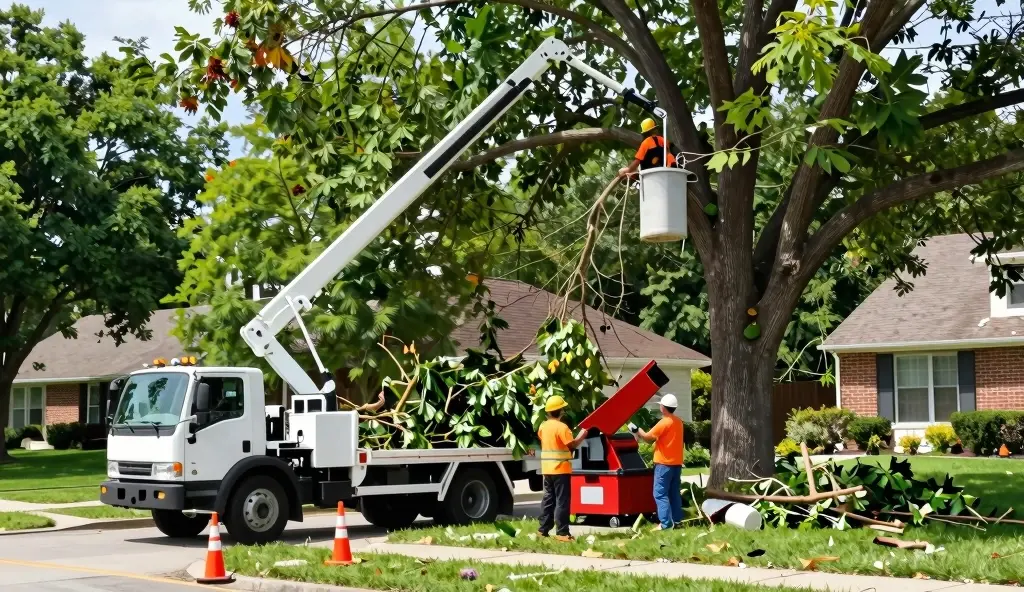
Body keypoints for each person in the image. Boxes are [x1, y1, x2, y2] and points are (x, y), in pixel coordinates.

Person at [536, 395, 588, 541]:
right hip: (561, 469)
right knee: (562, 501)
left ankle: (543, 529)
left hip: (547, 469)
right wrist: (582, 435)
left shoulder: (542, 426)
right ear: (561, 411)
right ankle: (562, 533)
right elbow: (571, 445)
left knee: (548, 499)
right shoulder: (562, 427)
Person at [633, 393, 684, 530]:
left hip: (663, 464)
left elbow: (648, 438)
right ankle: (677, 521)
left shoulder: (664, 422)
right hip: (676, 464)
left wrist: (637, 430)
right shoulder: (678, 422)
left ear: (663, 408)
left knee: (660, 494)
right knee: (674, 493)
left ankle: (666, 524)